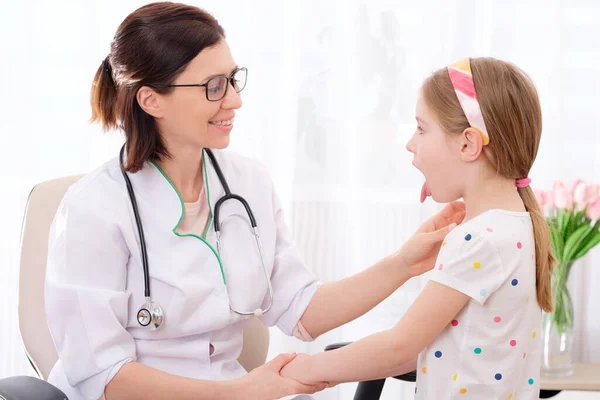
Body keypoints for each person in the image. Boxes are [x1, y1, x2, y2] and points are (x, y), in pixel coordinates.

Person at [43, 2, 465, 400]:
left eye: (232, 78)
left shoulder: (247, 182)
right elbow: (102, 373)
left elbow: (303, 310)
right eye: (213, 86)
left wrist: (404, 264)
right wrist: (234, 392)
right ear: (151, 99)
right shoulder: (94, 208)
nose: (234, 100)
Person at [281, 57, 554, 400]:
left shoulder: (478, 239)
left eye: (422, 129)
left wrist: (308, 369)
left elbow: (402, 347)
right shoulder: (520, 224)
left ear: (468, 144)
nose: (411, 143)